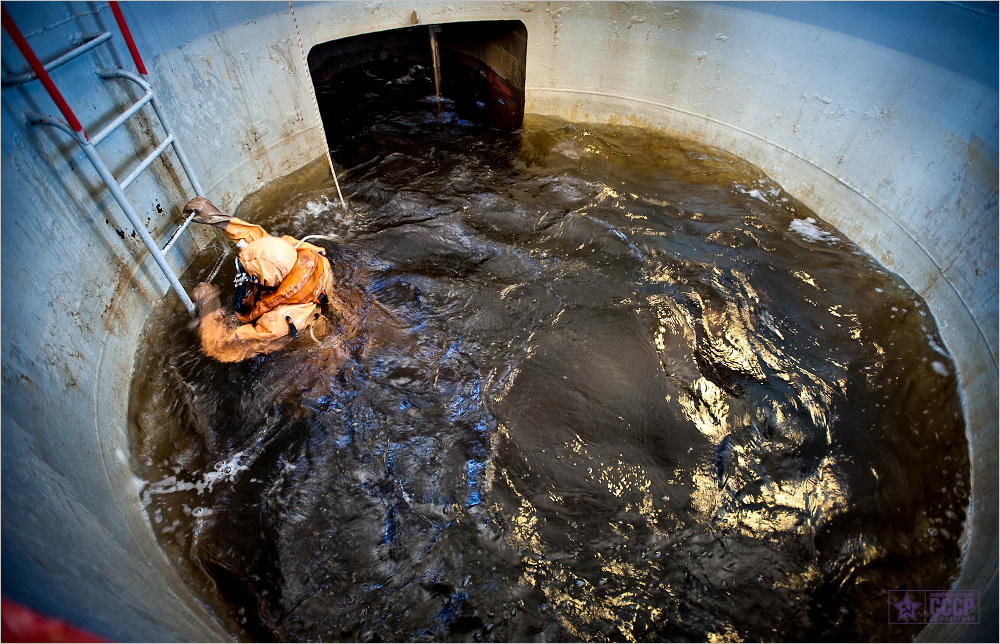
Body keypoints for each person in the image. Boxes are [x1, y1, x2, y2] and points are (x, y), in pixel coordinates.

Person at [184, 196, 336, 362]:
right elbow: (263, 246)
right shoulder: (306, 258)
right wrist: (218, 219)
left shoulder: (276, 323)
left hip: (308, 349)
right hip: (315, 311)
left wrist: (208, 303)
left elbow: (218, 347)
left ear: (262, 281)